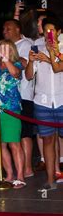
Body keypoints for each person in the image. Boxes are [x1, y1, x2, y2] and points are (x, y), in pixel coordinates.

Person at [25, 17, 63, 191]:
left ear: (59, 32)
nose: (49, 34)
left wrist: (49, 56)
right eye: (46, 30)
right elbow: (29, 76)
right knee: (48, 140)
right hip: (43, 102)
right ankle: (50, 180)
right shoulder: (36, 48)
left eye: (52, 30)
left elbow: (58, 68)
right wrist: (32, 61)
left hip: (62, 100)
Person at [0, 40, 25, 188]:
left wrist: (5, 58)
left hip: (11, 109)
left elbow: (15, 74)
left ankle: (21, 176)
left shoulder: (17, 64)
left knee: (14, 144)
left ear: (11, 51)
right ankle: (9, 175)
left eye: (4, 48)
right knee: (0, 145)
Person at [3, 19, 35, 178]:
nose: (5, 31)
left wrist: (8, 59)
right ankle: (18, 168)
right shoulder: (6, 46)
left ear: (17, 29)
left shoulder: (26, 44)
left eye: (8, 28)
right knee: (14, 135)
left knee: (25, 133)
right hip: (10, 99)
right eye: (3, 29)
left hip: (24, 95)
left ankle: (28, 168)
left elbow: (24, 64)